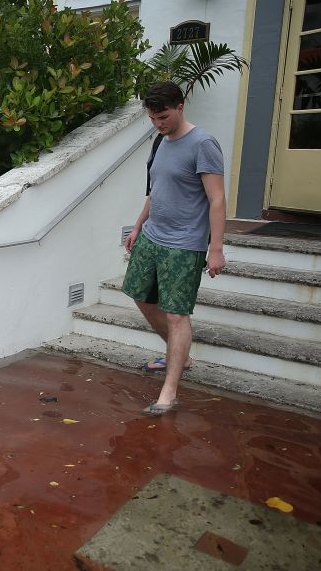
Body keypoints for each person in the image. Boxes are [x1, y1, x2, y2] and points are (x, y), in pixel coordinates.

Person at [121, 81, 226, 416]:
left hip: (184, 245)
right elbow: (156, 191)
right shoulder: (160, 141)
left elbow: (217, 199)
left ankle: (169, 390)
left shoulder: (203, 143)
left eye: (164, 116)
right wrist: (138, 226)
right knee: (140, 295)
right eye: (153, 118)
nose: (159, 123)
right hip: (152, 236)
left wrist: (216, 249)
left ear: (180, 106)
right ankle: (180, 355)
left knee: (177, 314)